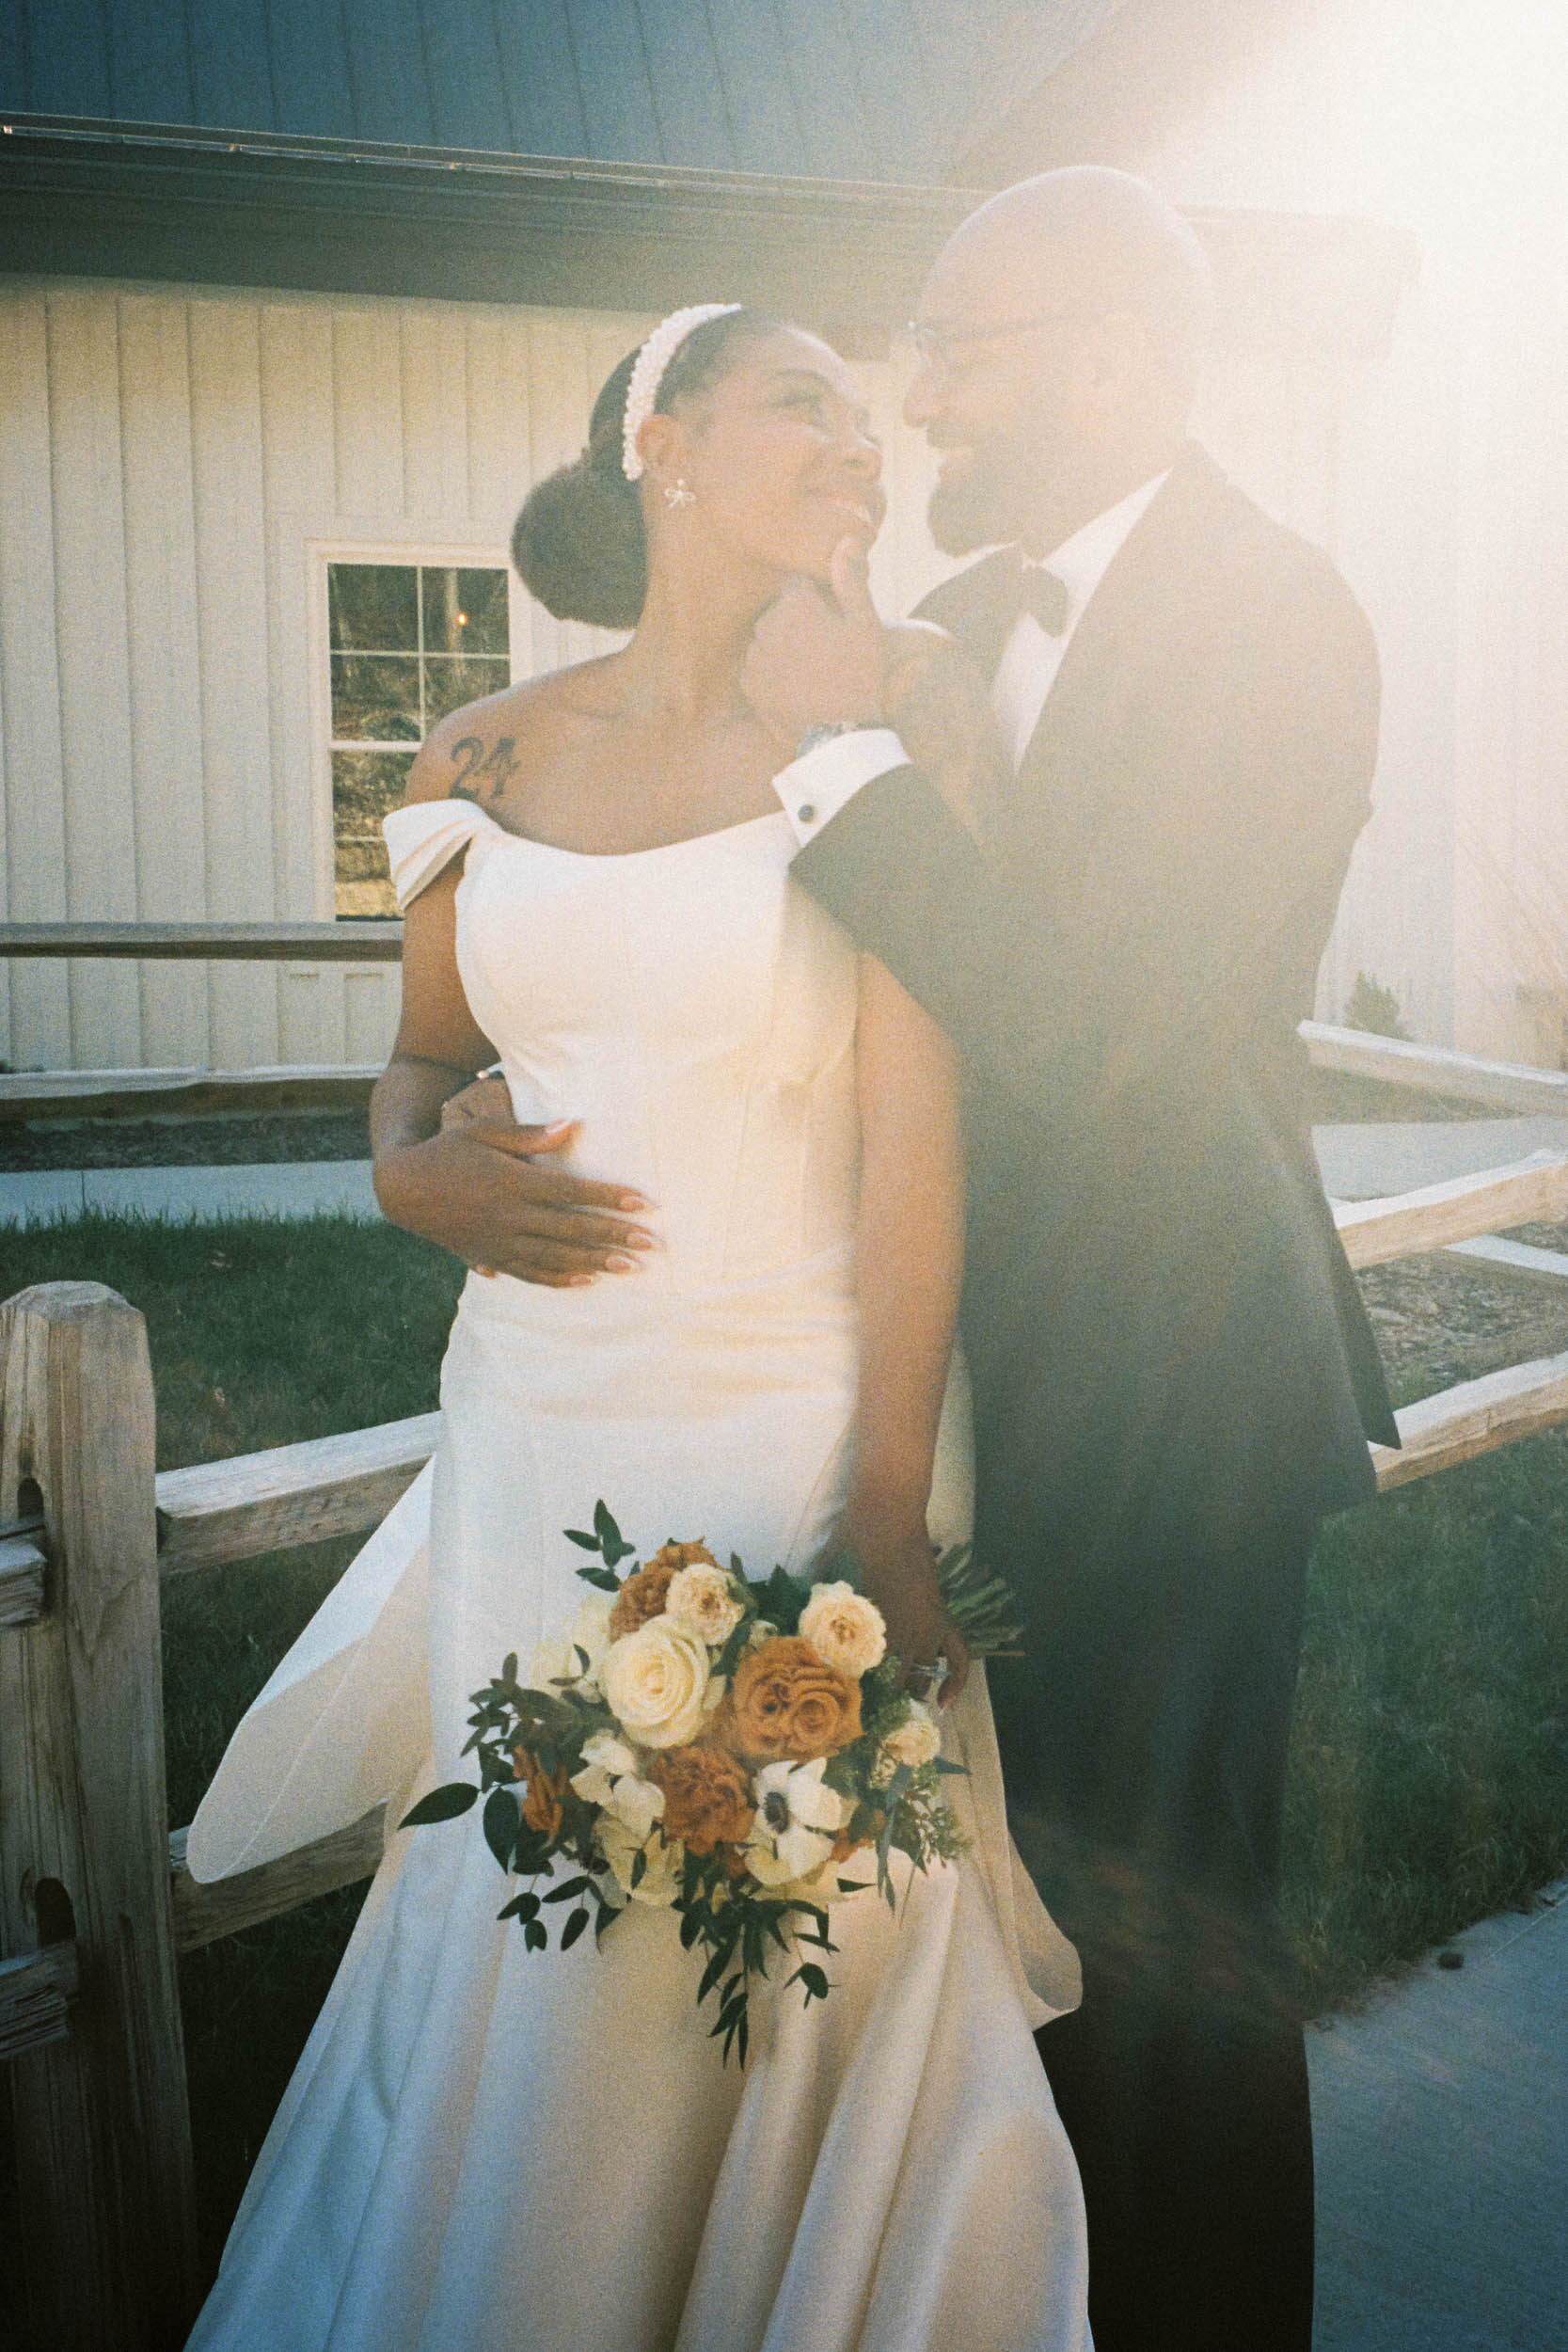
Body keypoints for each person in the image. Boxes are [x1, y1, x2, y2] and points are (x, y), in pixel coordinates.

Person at [182, 305, 1090, 2352]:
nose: (856, 442)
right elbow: (418, 1069)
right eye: (803, 405)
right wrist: (408, 1172)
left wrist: (884, 1498)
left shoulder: (903, 708)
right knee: (534, 1895)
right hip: (530, 1420)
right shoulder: (477, 755)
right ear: (658, 446)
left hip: (793, 1413)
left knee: (784, 1919)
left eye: (867, 418)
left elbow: (919, 1140)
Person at [737, 169, 1401, 2351]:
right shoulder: (962, 629)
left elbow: (1108, 1026)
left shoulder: (1276, 613)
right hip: (975, 1390)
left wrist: (845, 750)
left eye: (961, 347)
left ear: (1115, 356)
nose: (918, 399)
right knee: (986, 1949)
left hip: (1173, 1391)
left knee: (1159, 1954)